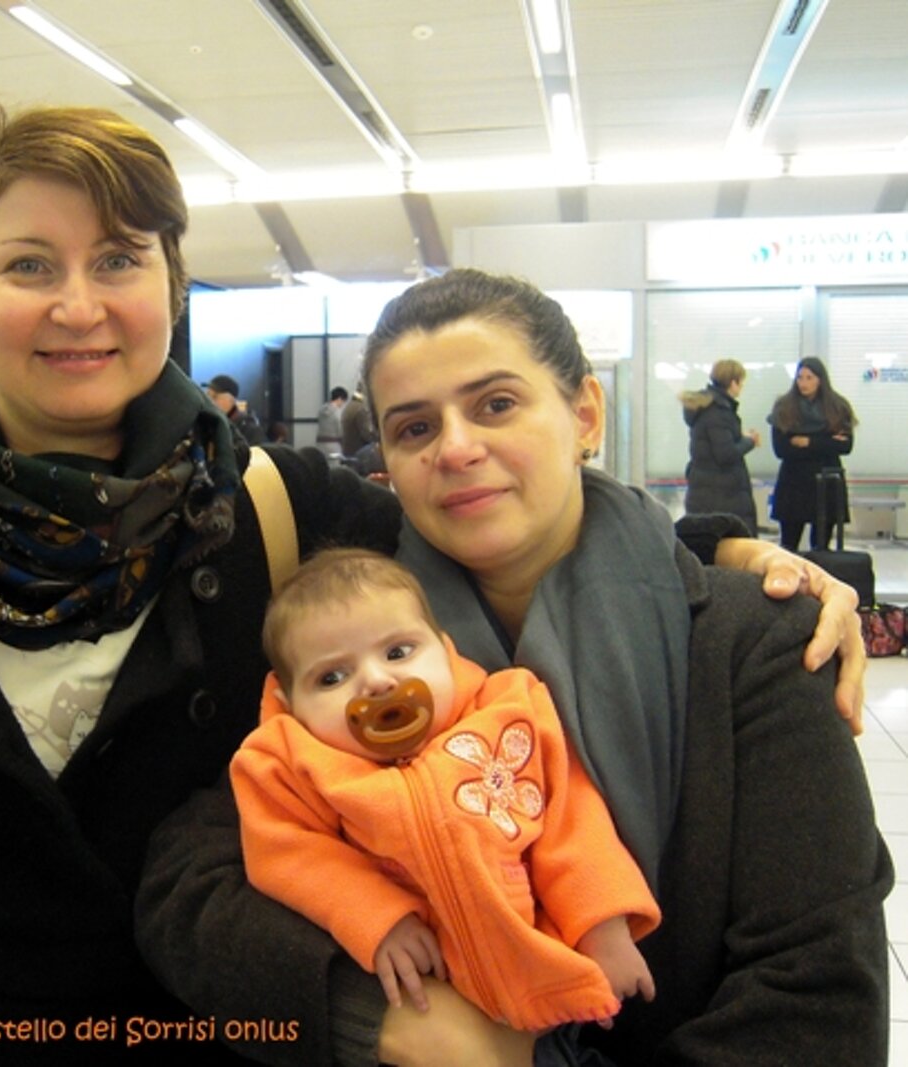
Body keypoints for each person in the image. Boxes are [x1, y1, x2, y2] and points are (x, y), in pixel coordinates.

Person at [0, 101, 867, 1064]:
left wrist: (727, 549)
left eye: (120, 259)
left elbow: (498, 520)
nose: (80, 305)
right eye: (30, 264)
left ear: (170, 287)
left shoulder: (282, 508)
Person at [138, 270, 887, 1066]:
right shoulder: (353, 648)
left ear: (584, 414)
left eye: (496, 404)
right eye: (416, 428)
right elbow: (187, 885)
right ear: (386, 459)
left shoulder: (754, 641)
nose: (457, 448)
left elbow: (818, 995)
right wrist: (393, 1020)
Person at [232, 547, 659, 1039]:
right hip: (430, 997)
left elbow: (571, 818)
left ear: (446, 650)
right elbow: (287, 854)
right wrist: (377, 918)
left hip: (555, 976)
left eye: (398, 652)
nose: (376, 681)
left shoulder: (508, 714)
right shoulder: (292, 767)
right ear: (290, 704)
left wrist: (602, 925)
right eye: (332, 677)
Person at [768, 356, 857, 551]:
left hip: (826, 480)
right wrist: (827, 442)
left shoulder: (837, 406)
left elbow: (845, 446)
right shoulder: (784, 407)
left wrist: (808, 442)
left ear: (820, 379)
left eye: (809, 378)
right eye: (800, 378)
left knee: (822, 546)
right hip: (794, 481)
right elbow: (781, 449)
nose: (803, 383)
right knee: (788, 545)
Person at [680, 359, 759, 535]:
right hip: (723, 494)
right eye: (741, 382)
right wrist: (750, 441)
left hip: (704, 490)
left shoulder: (705, 407)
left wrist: (740, 438)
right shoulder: (719, 412)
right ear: (733, 383)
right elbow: (726, 454)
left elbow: (715, 442)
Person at [206, 372, 265, 445]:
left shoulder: (248, 428)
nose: (210, 401)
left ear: (231, 399)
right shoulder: (207, 425)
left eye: (215, 397)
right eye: (207, 396)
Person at [316, 385, 348, 460]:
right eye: (343, 401)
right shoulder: (337, 413)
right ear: (339, 399)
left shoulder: (321, 410)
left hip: (320, 445)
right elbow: (340, 430)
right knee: (334, 468)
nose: (342, 404)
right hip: (334, 446)